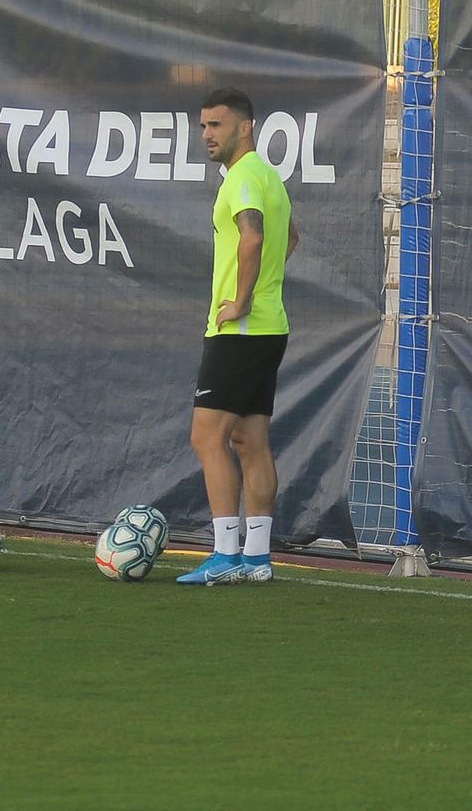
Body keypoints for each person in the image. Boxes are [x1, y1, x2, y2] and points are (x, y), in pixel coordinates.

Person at [177, 87, 298, 586]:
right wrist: (263, 289)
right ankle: (258, 558)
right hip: (269, 328)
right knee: (250, 439)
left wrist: (242, 300)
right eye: (203, 125)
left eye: (216, 125)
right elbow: (290, 239)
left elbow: (253, 237)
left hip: (240, 330)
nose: (206, 134)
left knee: (206, 437)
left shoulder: (244, 178)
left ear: (244, 127)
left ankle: (226, 554)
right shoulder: (269, 177)